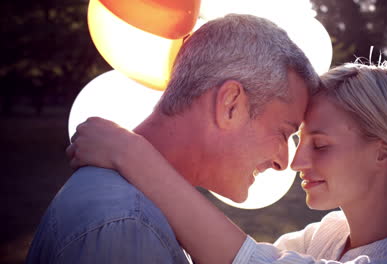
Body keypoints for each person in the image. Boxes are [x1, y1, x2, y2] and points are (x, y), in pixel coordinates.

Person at [66, 61, 387, 264]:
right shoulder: (325, 235)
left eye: (321, 145)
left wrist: (133, 153)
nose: (296, 162)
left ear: (383, 153)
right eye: (298, 139)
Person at [26, 14, 318, 263]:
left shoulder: (136, 212)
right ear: (230, 104)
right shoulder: (127, 225)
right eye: (284, 132)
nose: (284, 162)